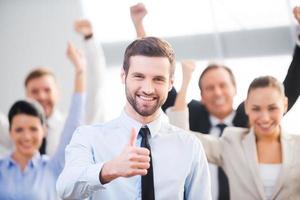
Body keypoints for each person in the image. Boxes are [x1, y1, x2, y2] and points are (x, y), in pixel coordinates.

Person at [56, 37, 211, 200]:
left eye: (158, 79)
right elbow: (65, 190)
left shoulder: (189, 146)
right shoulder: (89, 137)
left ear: (170, 83)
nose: (148, 89)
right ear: (123, 76)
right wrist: (109, 169)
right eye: (139, 76)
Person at [170, 75, 300, 199]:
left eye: (272, 108)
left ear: (285, 105)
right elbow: (184, 138)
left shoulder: (298, 146)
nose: (265, 118)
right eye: (256, 109)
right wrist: (186, 79)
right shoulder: (232, 142)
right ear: (247, 107)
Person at [0, 42, 86, 200]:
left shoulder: (53, 167)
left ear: (44, 130)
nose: (26, 136)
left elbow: (75, 119)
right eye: (19, 130)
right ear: (10, 132)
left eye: (33, 129)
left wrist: (80, 71)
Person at [130, 3, 178, 112]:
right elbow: (148, 61)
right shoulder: (195, 112)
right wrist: (138, 24)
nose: (217, 93)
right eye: (209, 88)